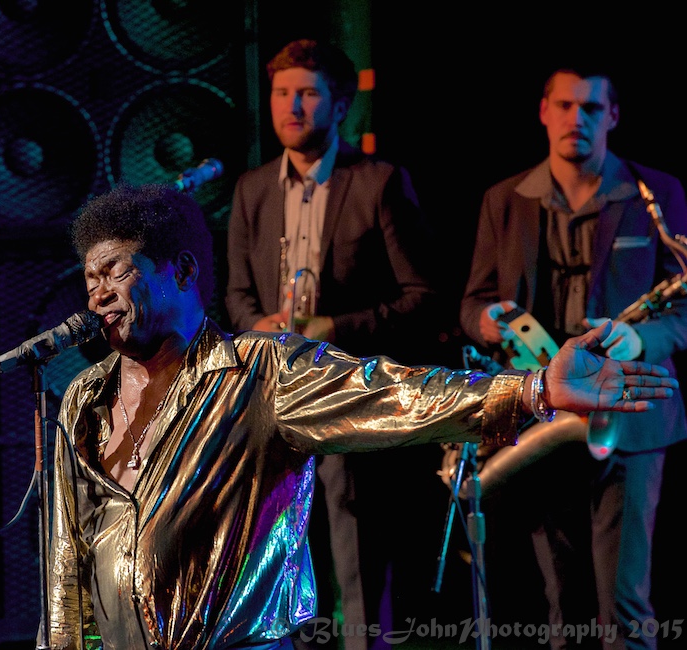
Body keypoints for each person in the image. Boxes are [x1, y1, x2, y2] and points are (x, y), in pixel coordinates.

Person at [42, 180, 677, 650]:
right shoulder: (85, 400)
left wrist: (533, 388)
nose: (97, 293)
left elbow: (393, 393)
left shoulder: (257, 375)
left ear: (179, 272)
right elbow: (68, 562)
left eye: (116, 272)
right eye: (89, 277)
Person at [458, 66, 687, 649]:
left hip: (631, 412)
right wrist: (488, 321)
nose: (575, 119)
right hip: (545, 413)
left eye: (589, 108)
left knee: (626, 606)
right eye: (564, 105)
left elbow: (683, 307)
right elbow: (473, 304)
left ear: (612, 115)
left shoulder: (656, 193)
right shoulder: (502, 198)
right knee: (559, 603)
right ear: (543, 111)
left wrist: (643, 340)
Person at [224, 38, 445, 644]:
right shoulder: (252, 189)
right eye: (281, 93)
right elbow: (237, 296)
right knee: (275, 563)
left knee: (356, 562)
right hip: (275, 403)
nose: (291, 106)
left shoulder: (378, 182)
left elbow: (422, 297)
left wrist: (334, 329)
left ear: (340, 105)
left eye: (308, 93)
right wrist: (257, 325)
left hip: (351, 398)